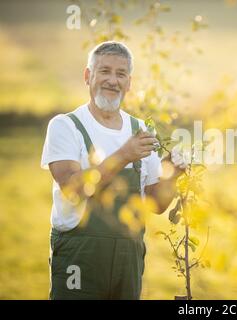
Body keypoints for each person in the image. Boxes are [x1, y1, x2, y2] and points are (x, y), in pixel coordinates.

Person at [41, 41, 187, 299]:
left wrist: (171, 173)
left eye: (120, 74)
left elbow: (155, 204)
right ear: (88, 76)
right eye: (104, 71)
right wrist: (124, 155)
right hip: (80, 258)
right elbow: (74, 189)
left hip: (128, 263)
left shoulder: (141, 130)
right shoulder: (66, 126)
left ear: (129, 83)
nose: (112, 80)